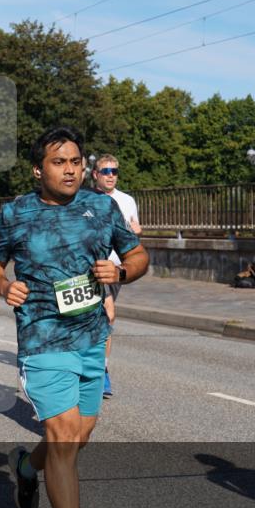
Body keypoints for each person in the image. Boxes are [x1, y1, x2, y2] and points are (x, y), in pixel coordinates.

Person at [0, 126, 148, 508]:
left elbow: (138, 254)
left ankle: (27, 468)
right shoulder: (16, 213)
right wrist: (3, 284)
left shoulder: (102, 207)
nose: (70, 169)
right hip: (42, 338)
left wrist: (122, 271)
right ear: (38, 170)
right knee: (65, 436)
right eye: (59, 162)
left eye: (75, 161)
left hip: (92, 337)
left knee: (78, 437)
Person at [91, 154, 142, 399]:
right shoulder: (85, 199)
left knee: (104, 319)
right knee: (107, 313)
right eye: (105, 171)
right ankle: (99, 372)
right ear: (95, 175)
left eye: (114, 171)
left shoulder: (127, 200)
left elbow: (132, 231)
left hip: (115, 269)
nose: (110, 176)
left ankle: (99, 366)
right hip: (92, 267)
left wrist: (136, 232)